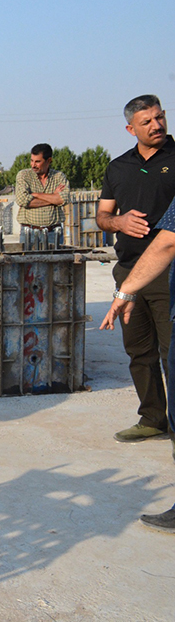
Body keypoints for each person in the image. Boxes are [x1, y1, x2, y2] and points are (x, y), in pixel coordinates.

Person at [96, 95, 175, 444]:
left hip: (169, 271)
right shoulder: (118, 168)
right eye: (147, 121)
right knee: (139, 350)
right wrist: (119, 221)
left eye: (160, 117)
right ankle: (152, 418)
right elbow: (102, 216)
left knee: (171, 351)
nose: (156, 125)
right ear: (131, 128)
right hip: (128, 270)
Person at [15, 143, 70, 232]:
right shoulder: (24, 176)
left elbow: (64, 199)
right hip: (30, 232)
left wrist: (35, 195)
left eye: (37, 162)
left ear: (49, 160)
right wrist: (53, 197)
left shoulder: (59, 177)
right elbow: (23, 200)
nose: (33, 165)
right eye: (32, 160)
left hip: (53, 232)